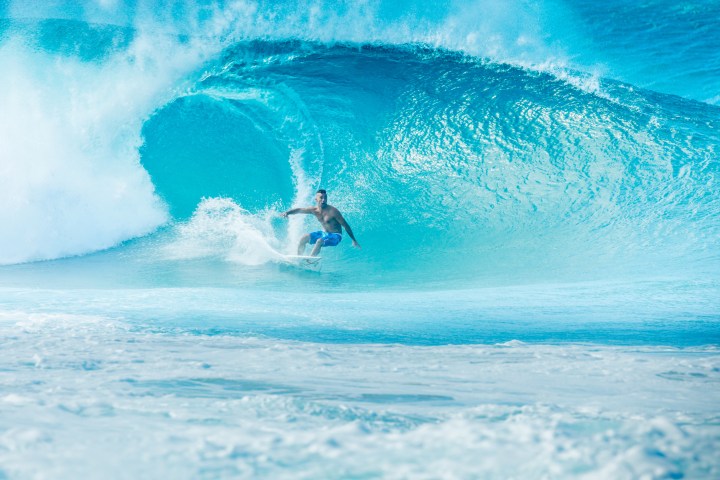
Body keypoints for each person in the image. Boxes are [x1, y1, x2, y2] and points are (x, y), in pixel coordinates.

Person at [281, 189, 361, 256]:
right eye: (321, 197)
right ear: (316, 199)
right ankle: (298, 258)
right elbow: (299, 210)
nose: (323, 200)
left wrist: (354, 240)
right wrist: (287, 213)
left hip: (336, 236)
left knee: (319, 241)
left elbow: (346, 226)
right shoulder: (314, 210)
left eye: (325, 198)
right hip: (324, 234)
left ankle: (309, 261)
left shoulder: (333, 211)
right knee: (303, 238)